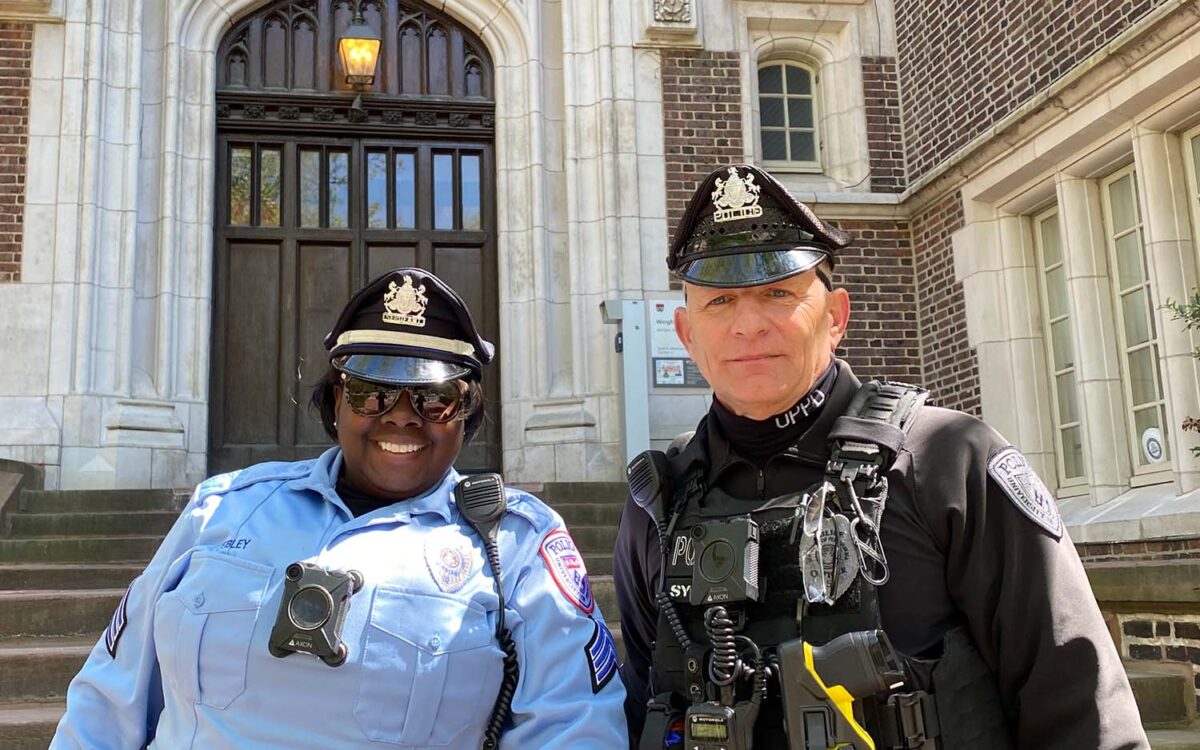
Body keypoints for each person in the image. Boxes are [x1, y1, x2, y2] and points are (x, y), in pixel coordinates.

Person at [613, 164, 1149, 750]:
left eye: (778, 293)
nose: (748, 325)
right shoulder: (657, 507)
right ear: (688, 334)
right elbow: (643, 705)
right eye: (720, 303)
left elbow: (1081, 709)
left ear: (836, 316)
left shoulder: (948, 463)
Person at [51, 268, 628, 749]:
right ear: (332, 401)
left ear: (468, 414)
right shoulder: (222, 510)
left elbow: (574, 729)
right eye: (368, 390)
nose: (401, 415)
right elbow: (106, 704)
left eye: (434, 397)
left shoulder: (516, 545)